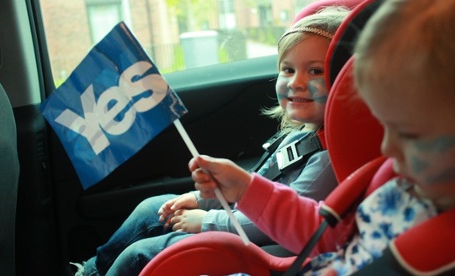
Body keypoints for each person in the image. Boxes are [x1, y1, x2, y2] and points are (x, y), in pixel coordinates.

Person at [71, 6, 350, 276]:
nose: (295, 82)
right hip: (244, 222)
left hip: (270, 248)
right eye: (287, 70)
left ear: (347, 83)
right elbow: (257, 189)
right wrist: (200, 200)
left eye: (315, 72)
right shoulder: (301, 134)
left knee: (143, 254)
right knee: (150, 210)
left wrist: (207, 222)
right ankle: (92, 271)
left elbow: (279, 223)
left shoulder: (329, 159)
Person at [190, 0, 455, 274]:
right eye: (384, 127)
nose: (386, 147)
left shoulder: (439, 249)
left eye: (408, 133)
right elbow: (328, 235)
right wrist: (246, 189)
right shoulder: (398, 185)